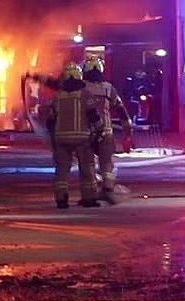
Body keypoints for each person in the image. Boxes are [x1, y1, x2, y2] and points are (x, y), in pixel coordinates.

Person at [38, 62, 103, 208]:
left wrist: (53, 136)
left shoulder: (58, 96)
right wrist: (99, 131)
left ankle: (61, 199)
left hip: (61, 138)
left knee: (62, 169)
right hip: (82, 138)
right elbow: (93, 116)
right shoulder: (85, 94)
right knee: (87, 168)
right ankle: (89, 198)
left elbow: (50, 120)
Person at [81, 55, 133, 204]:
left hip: (86, 132)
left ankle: (90, 194)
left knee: (87, 164)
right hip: (106, 131)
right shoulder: (109, 88)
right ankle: (108, 190)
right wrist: (128, 131)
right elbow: (121, 110)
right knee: (106, 164)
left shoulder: (81, 88)